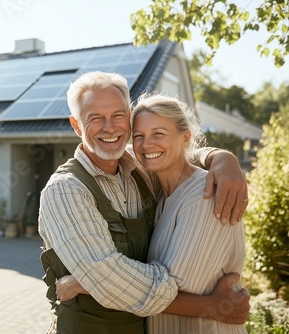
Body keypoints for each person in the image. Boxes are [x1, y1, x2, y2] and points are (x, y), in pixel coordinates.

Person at [38, 71, 250, 334]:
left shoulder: (140, 167)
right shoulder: (65, 190)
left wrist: (222, 158)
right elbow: (108, 278)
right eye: (95, 118)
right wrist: (210, 306)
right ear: (76, 125)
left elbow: (177, 153)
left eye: (117, 115)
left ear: (128, 116)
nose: (109, 127)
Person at [130, 93, 247, 333]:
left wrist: (91, 282)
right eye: (138, 136)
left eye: (158, 134)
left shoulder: (205, 195)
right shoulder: (164, 195)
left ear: (185, 138)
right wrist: (221, 156)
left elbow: (170, 289)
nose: (146, 144)